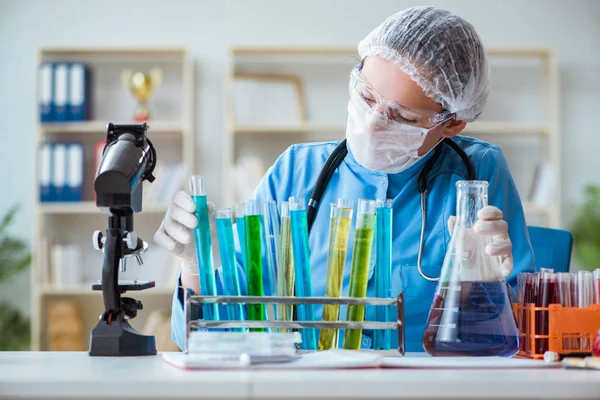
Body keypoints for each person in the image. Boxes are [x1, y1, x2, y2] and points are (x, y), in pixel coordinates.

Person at [156, 6, 535, 352]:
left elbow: (523, 337)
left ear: (451, 124)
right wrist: (196, 265)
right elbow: (205, 338)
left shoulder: (478, 173)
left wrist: (488, 288)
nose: (372, 124)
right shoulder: (296, 171)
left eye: (403, 117)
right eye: (367, 97)